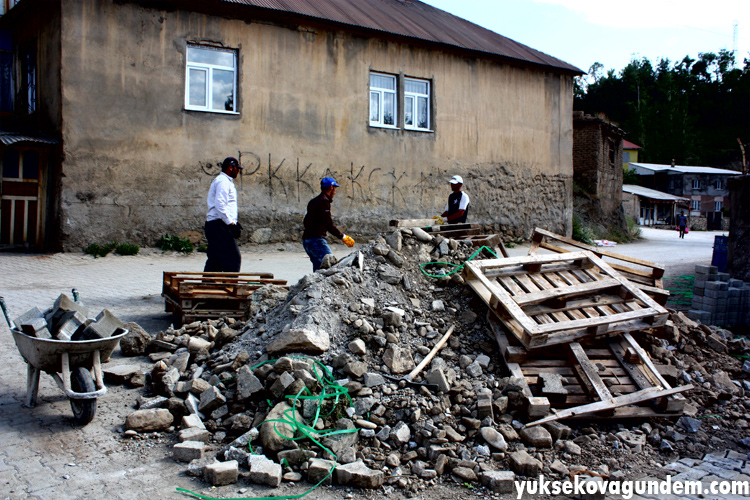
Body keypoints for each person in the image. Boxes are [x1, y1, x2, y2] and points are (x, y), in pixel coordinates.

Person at [302, 177, 355, 271]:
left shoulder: (313, 201)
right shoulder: (324, 201)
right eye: (335, 189)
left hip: (307, 241)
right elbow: (328, 224)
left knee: (318, 268)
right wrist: (343, 237)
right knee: (330, 266)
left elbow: (306, 221)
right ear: (331, 187)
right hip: (316, 241)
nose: (335, 192)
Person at [204, 157, 243, 272]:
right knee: (233, 258)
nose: (238, 171)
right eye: (237, 168)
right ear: (231, 168)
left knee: (215, 259)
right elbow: (220, 204)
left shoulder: (224, 181)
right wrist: (231, 223)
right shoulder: (223, 181)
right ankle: (230, 286)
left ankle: (208, 285)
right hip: (219, 225)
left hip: (216, 224)